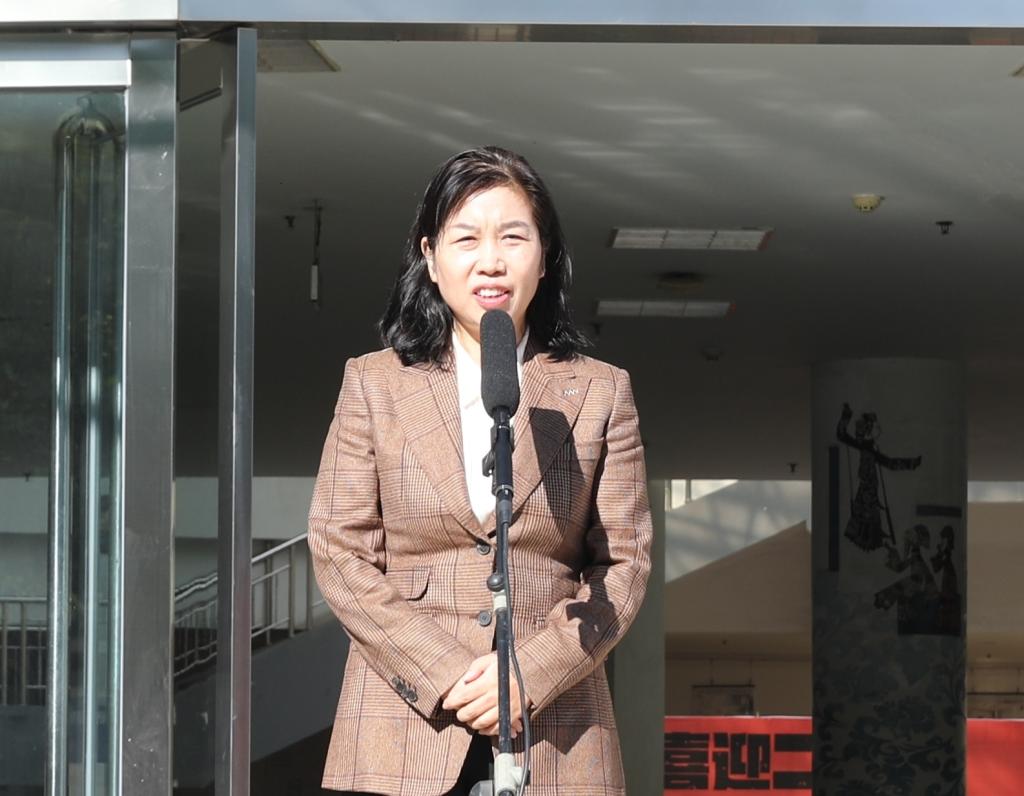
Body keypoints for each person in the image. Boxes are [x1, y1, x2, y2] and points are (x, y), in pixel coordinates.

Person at [307, 146, 652, 796]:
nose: (490, 260)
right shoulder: (375, 384)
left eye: (513, 238)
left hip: (557, 729)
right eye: (466, 238)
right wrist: (448, 674)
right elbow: (339, 549)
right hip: (402, 725)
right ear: (431, 257)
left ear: (544, 257)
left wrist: (528, 674)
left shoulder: (599, 391)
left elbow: (624, 565)